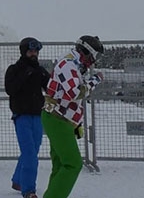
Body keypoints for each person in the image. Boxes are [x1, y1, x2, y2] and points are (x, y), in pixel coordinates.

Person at [42, 35, 105, 198]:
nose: (93, 62)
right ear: (85, 52)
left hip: (61, 119)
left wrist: (77, 124)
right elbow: (75, 93)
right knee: (73, 164)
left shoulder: (74, 65)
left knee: (60, 164)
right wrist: (95, 80)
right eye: (94, 57)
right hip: (57, 120)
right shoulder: (68, 65)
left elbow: (71, 100)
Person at [4, 37, 50, 198]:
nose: (34, 54)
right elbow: (10, 89)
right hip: (21, 116)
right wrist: (26, 73)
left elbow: (50, 87)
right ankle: (29, 190)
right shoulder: (14, 69)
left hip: (37, 115)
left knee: (32, 150)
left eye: (36, 51)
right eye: (31, 51)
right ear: (24, 52)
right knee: (30, 153)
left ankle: (18, 180)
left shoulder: (40, 70)